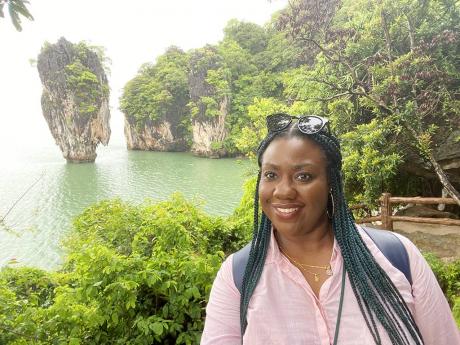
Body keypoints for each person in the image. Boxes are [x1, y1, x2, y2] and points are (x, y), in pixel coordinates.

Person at [201, 113, 460, 345]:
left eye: (304, 176)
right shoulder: (238, 277)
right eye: (271, 175)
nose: (283, 191)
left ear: (331, 183)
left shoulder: (397, 258)